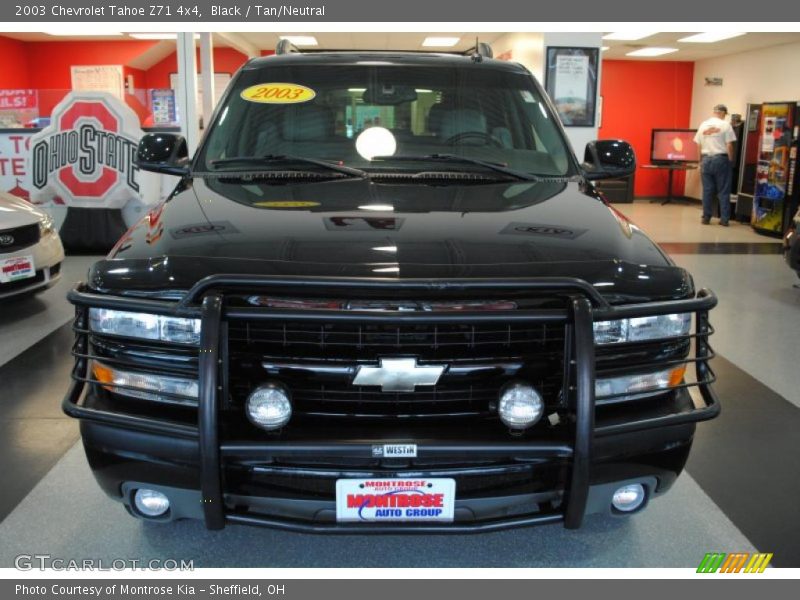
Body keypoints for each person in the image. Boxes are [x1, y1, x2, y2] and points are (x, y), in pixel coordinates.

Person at [694, 104, 737, 226]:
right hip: (721, 159)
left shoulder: (703, 125)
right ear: (723, 113)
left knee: (707, 190)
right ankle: (724, 219)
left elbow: (698, 145)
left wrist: (699, 162)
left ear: (714, 112)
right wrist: (730, 160)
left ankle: (706, 218)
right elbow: (729, 145)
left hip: (706, 160)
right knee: (723, 191)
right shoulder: (726, 125)